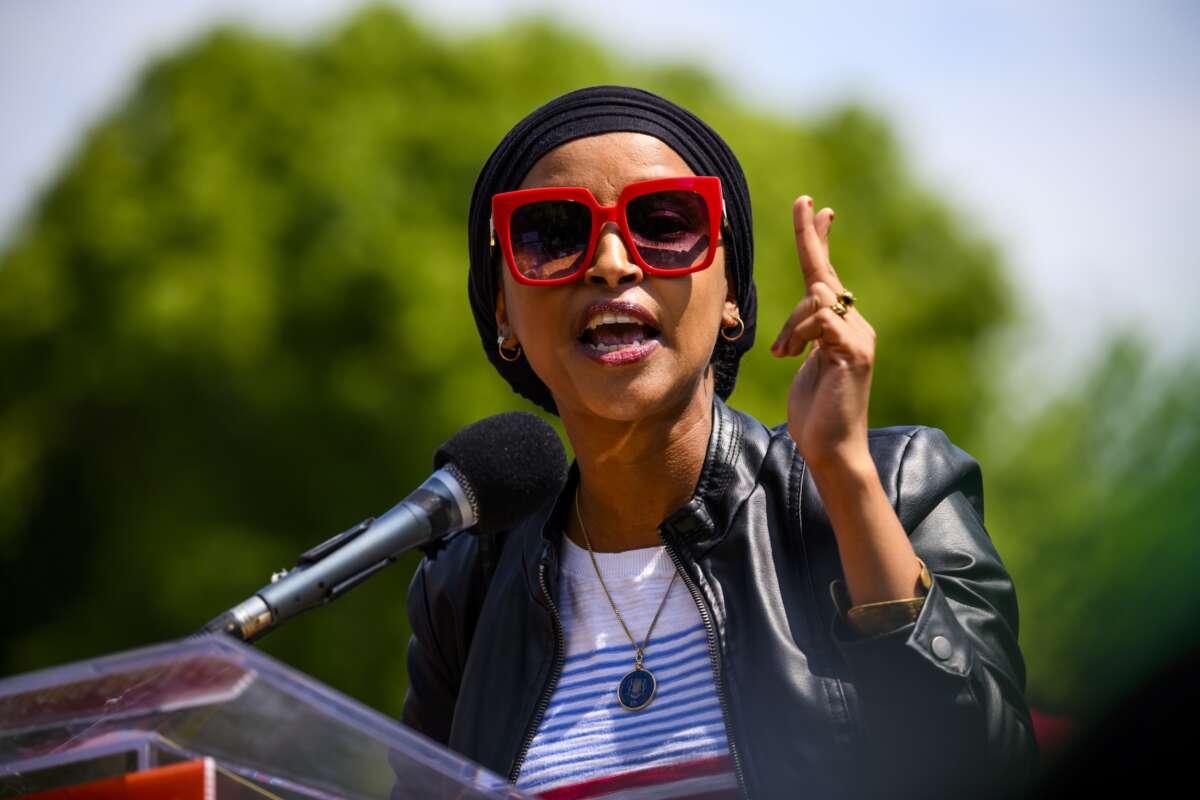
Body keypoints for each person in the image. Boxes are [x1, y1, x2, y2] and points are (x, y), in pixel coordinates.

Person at [400, 85, 1038, 799]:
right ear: (501, 313)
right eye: (552, 235)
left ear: (732, 289)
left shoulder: (895, 487)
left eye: (664, 224)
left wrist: (845, 476)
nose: (612, 262)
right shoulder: (470, 585)